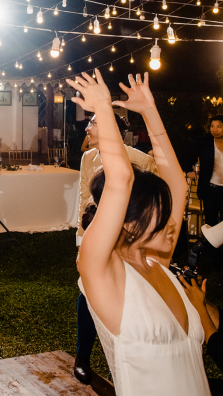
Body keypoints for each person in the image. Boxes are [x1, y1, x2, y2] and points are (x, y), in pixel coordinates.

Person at [70, 70, 210, 395]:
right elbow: (122, 181)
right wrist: (104, 110)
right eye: (161, 215)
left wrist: (149, 111)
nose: (172, 222)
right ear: (130, 223)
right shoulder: (103, 273)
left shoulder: (159, 262)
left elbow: (177, 184)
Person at [73, 112, 157, 383]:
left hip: (130, 240)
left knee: (129, 295)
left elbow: (152, 204)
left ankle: (130, 361)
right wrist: (83, 236)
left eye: (93, 122)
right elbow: (85, 198)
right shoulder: (88, 158)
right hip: (97, 236)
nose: (87, 127)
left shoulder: (141, 160)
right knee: (88, 292)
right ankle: (82, 356)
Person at [184, 115, 223, 260]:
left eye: (219, 126)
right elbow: (187, 153)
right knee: (211, 222)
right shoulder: (205, 142)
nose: (215, 130)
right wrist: (189, 170)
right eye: (212, 126)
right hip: (210, 190)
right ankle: (213, 257)